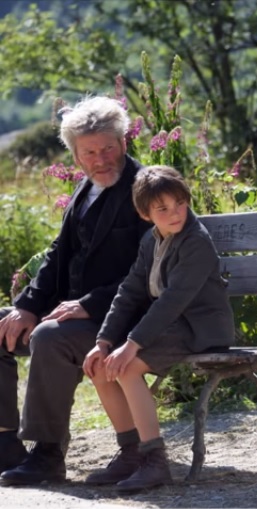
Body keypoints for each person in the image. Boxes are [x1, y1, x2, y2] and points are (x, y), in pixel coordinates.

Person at [0, 96, 150, 485]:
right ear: (77, 158)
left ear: (124, 144)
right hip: (75, 312)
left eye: (108, 148)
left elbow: (153, 270)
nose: (101, 160)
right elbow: (57, 254)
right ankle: (5, 445)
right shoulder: (86, 191)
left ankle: (48, 454)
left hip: (125, 318)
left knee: (52, 337)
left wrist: (87, 304)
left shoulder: (146, 189)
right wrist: (29, 305)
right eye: (90, 153)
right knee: (2, 326)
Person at [82, 165, 235, 491]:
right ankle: (131, 453)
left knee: (127, 368)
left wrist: (133, 344)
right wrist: (105, 341)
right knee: (101, 366)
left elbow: (173, 301)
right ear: (145, 214)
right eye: (162, 208)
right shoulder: (151, 241)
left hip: (201, 328)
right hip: (173, 326)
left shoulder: (195, 242)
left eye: (179, 203)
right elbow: (130, 291)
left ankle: (155, 462)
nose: (175, 213)